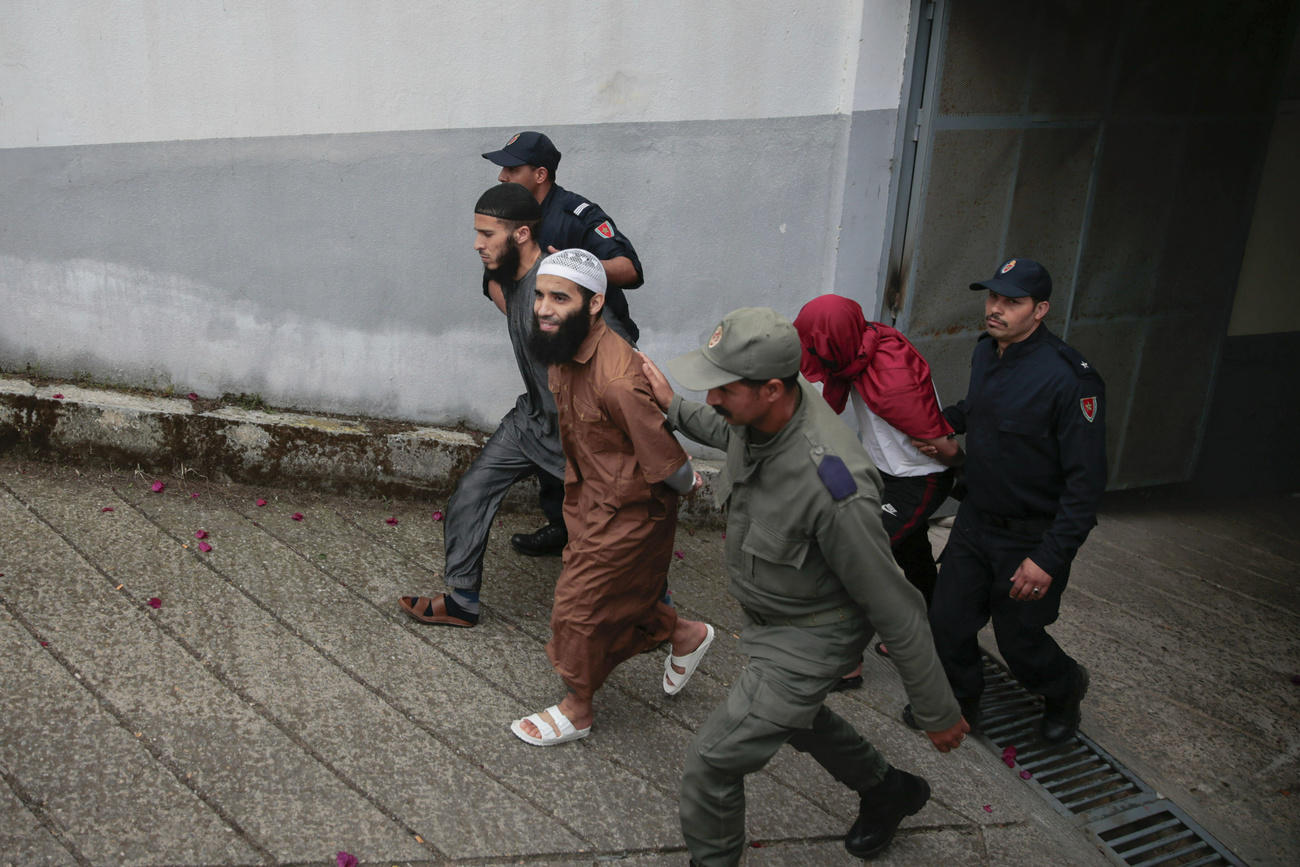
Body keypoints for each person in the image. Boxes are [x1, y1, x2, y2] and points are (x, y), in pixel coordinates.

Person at [640, 307, 969, 864]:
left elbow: (895, 604)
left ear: (772, 390)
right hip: (776, 615)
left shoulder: (835, 486)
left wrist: (937, 710)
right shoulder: (770, 410)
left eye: (723, 388)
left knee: (714, 762)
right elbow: (727, 430)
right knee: (793, 718)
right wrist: (672, 404)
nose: (712, 397)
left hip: (813, 634)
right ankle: (889, 790)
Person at [509, 248, 713, 746]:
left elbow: (665, 456)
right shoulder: (564, 348)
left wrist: (687, 482)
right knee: (626, 596)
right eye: (540, 295)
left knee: (578, 605)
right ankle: (686, 635)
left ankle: (577, 708)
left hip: (631, 510)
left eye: (560, 298)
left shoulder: (618, 379)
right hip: (589, 498)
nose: (544, 309)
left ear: (595, 302)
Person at [903, 257, 1105, 744]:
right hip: (976, 522)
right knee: (948, 622)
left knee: (1021, 643)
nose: (996, 309)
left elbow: (1085, 485)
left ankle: (1064, 689)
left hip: (1030, 537)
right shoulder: (987, 352)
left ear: (1040, 310)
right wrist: (941, 423)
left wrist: (1049, 558)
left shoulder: (1070, 380)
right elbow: (978, 408)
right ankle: (961, 702)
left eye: (1012, 302)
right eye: (993, 297)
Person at [397, 183, 563, 629]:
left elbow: (618, 353)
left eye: (487, 234)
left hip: (581, 432)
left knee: (613, 538)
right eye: (477, 232)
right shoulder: (509, 277)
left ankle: (659, 614)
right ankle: (462, 601)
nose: (476, 243)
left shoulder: (559, 286)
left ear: (521, 234)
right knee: (471, 494)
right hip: (532, 420)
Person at [482, 130, 646, 558]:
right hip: (548, 356)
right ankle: (562, 526)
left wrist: (576, 269)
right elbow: (494, 282)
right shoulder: (507, 220)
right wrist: (530, 323)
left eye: (511, 168)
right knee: (551, 433)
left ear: (540, 174)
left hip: (598, 354)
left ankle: (623, 548)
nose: (502, 176)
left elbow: (630, 268)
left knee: (603, 448)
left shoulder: (577, 213)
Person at [793, 294, 963, 682]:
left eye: (814, 345)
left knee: (855, 561)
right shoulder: (864, 345)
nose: (811, 352)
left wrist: (962, 464)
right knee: (912, 552)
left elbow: (944, 445)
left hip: (917, 480)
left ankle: (846, 662)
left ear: (834, 342)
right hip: (885, 471)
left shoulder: (892, 380)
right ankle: (927, 627)